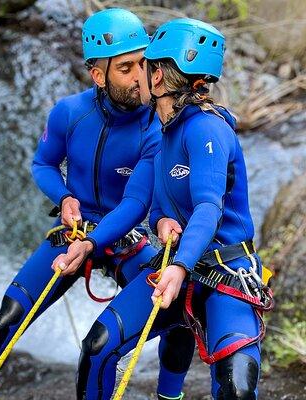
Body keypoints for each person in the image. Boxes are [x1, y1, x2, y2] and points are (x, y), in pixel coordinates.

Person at [0, 9, 194, 400]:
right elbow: (43, 163)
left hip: (126, 235)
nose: (142, 77)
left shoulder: (157, 125)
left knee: (178, 314)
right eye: (126, 67)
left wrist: (94, 243)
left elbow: (135, 204)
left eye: (145, 63)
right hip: (75, 230)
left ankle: (170, 396)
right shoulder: (69, 113)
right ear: (98, 76)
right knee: (7, 318)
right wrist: (65, 196)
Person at [73, 17, 273, 400]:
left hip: (223, 271)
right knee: (98, 347)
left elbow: (208, 208)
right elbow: (138, 202)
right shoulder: (162, 132)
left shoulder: (207, 130)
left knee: (237, 385)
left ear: (159, 77)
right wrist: (93, 242)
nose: (137, 77)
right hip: (177, 267)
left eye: (144, 66)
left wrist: (180, 266)